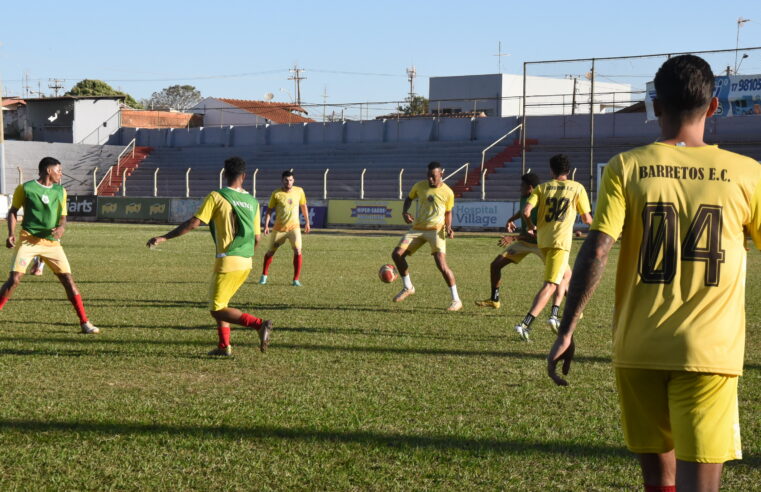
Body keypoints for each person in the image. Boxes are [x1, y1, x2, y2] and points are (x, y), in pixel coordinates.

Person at [547, 55, 761, 492]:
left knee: (658, 485)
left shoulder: (628, 167)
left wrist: (567, 329)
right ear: (714, 106)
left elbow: (599, 248)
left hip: (639, 348)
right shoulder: (748, 174)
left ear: (655, 106)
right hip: (709, 353)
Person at [147, 157, 272, 356]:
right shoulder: (253, 202)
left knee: (216, 309)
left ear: (224, 174)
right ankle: (224, 346)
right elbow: (257, 238)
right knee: (222, 304)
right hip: (246, 261)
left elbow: (194, 223)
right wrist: (245, 255)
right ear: (244, 176)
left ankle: (259, 325)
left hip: (227, 260)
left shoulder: (217, 196)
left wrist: (165, 237)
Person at [0, 157, 99, 334]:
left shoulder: (61, 191)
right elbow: (13, 211)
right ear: (48, 170)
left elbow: (63, 216)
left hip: (52, 244)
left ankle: (85, 323)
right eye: (58, 170)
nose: (61, 174)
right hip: (28, 240)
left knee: (68, 281)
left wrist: (61, 227)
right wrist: (10, 234)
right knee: (14, 279)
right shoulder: (26, 188)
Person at [514, 154, 592, 340]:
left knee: (566, 275)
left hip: (544, 241)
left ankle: (555, 314)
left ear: (551, 170)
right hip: (560, 242)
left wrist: (532, 227)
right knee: (550, 284)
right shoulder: (577, 188)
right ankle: (525, 324)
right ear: (568, 170)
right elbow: (587, 219)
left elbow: (526, 211)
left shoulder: (541, 188)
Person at [391, 161, 462, 311]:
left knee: (441, 265)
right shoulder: (419, 186)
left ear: (441, 174)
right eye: (428, 176)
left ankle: (456, 300)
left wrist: (449, 227)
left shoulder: (448, 192)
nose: (430, 179)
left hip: (436, 230)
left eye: (433, 176)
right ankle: (408, 287)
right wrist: (405, 212)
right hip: (417, 229)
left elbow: (448, 212)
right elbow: (409, 198)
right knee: (397, 254)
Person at [475, 172, 541, 309]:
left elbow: (537, 234)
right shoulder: (525, 197)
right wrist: (511, 219)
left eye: (522, 185)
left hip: (541, 244)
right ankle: (494, 300)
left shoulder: (541, 202)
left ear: (530, 187)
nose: (519, 188)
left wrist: (514, 237)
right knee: (495, 265)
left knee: (556, 279)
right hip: (524, 242)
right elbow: (523, 211)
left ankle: (574, 307)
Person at [259, 170, 310, 286]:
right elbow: (269, 210)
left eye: (291, 180)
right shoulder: (276, 194)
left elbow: (303, 206)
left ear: (294, 180)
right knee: (270, 252)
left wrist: (307, 222)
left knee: (298, 251)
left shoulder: (299, 191)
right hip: (279, 229)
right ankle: (264, 276)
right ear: (282, 181)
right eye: (286, 180)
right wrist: (266, 225)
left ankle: (296, 280)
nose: (289, 182)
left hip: (294, 228)